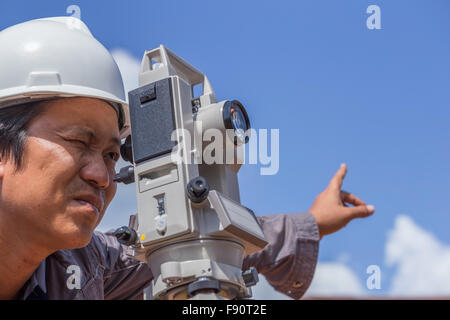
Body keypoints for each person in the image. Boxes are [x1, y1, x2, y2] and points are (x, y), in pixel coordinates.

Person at [0, 17, 375, 300]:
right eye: (79, 142)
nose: (103, 176)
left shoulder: (88, 265)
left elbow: (197, 236)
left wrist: (314, 223)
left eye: (113, 155)